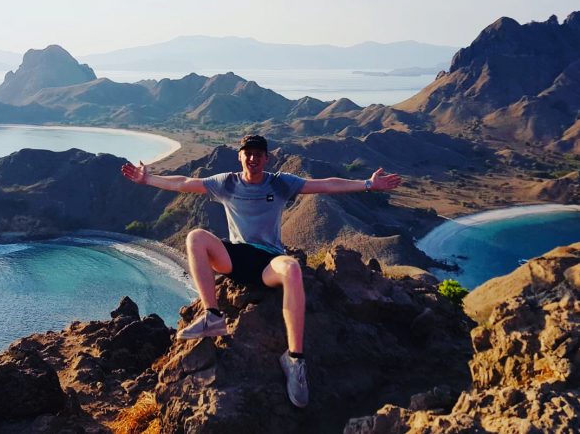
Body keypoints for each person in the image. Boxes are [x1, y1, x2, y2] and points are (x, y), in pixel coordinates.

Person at [121, 134, 402, 408]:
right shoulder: (227, 183)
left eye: (258, 153)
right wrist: (148, 179)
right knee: (195, 237)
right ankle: (213, 316)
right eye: (248, 153)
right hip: (235, 257)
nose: (253, 158)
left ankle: (294, 359)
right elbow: (184, 183)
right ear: (240, 156)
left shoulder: (280, 184)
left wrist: (368, 184)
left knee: (291, 268)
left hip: (269, 260)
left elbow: (326, 184)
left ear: (266, 158)